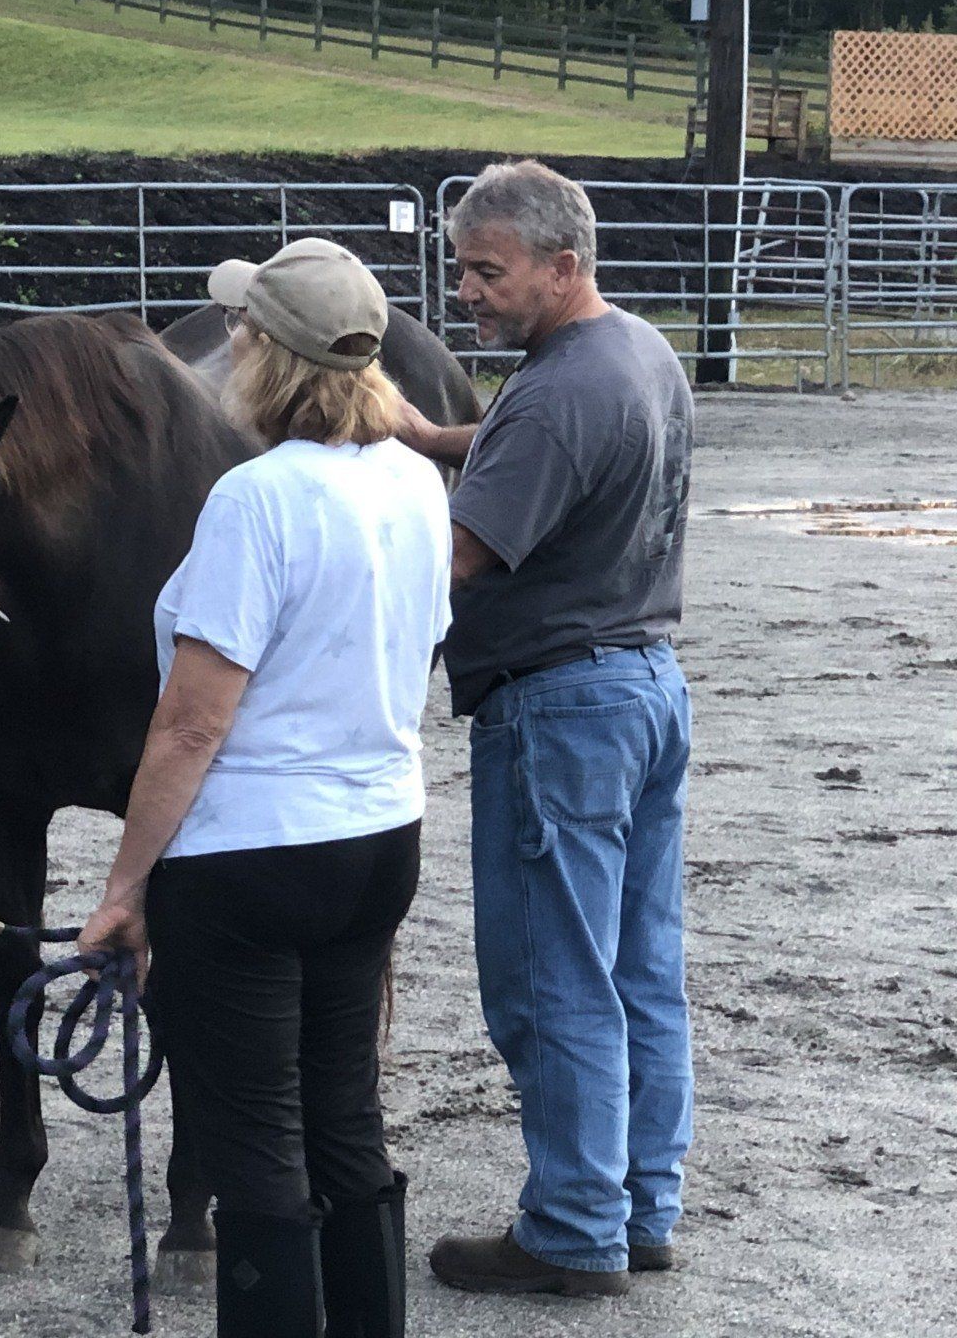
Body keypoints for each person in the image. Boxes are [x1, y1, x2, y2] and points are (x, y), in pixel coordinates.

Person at [80, 238, 452, 1337]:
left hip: (252, 854)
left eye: (238, 329)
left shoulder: (255, 497)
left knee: (256, 1138)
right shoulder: (414, 483)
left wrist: (124, 885)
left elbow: (194, 721)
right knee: (346, 1112)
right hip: (380, 834)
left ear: (260, 351)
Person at [393, 160, 695, 1298]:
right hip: (645, 686)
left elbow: (454, 564)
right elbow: (536, 455)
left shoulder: (562, 392)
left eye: (489, 270)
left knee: (551, 978)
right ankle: (638, 1205)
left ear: (563, 267)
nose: (465, 290)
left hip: (558, 708)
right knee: (638, 968)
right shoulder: (633, 354)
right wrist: (431, 434)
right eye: (461, 266)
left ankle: (572, 1230)